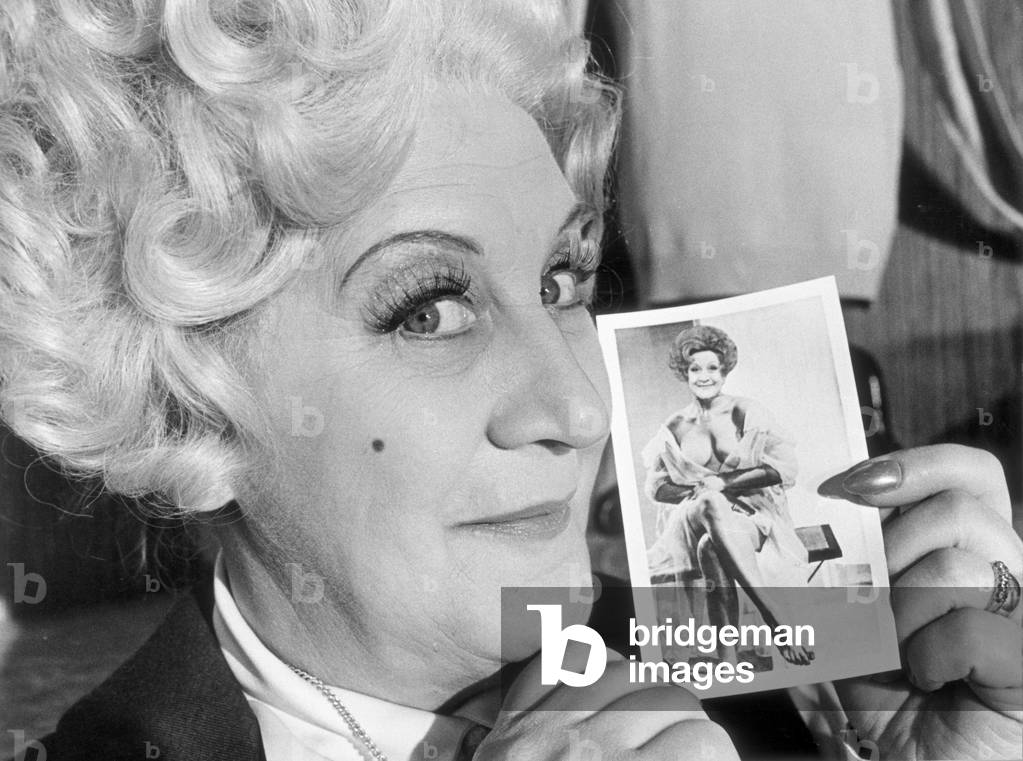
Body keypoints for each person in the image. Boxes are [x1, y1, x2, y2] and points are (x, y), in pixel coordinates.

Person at [0, 1, 1019, 760]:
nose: (580, 408)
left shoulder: (799, 689)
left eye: (562, 279)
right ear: (189, 404)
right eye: (431, 309)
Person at [643, 325, 813, 666]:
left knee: (711, 549)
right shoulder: (674, 426)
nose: (704, 376)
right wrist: (699, 490)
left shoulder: (745, 412)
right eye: (695, 369)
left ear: (725, 370)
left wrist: (725, 483)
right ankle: (776, 621)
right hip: (694, 515)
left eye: (712, 368)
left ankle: (726, 657)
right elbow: (657, 488)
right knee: (708, 503)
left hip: (752, 516)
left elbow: (784, 469)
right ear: (685, 372)